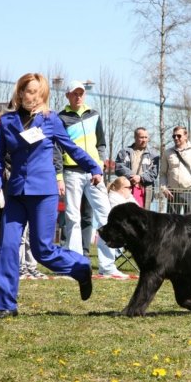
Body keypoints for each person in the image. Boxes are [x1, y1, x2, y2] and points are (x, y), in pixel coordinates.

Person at [0, 73, 103, 318]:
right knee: (7, 247)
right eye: (30, 92)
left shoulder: (50, 120)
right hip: (16, 192)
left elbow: (71, 148)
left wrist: (94, 167)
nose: (35, 97)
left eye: (40, 93)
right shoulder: (6, 122)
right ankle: (5, 304)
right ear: (20, 93)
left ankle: (81, 267)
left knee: (43, 251)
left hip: (44, 192)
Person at [58, 80, 126, 278]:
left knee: (106, 216)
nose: (78, 96)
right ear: (67, 96)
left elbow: (101, 143)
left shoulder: (94, 115)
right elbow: (58, 149)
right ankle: (75, 266)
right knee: (72, 218)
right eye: (74, 93)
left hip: (94, 174)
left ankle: (108, 266)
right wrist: (59, 176)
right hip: (71, 172)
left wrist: (101, 164)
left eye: (81, 93)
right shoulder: (60, 118)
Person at [160, 126, 191, 214]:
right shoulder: (167, 153)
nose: (176, 138)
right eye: (173, 136)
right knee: (172, 223)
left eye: (179, 136)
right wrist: (164, 189)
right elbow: (162, 174)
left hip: (190, 192)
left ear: (186, 136)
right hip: (173, 193)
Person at [115, 127, 159, 208]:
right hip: (127, 187)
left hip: (145, 189)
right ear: (135, 137)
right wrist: (132, 176)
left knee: (144, 216)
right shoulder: (124, 152)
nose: (144, 140)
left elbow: (154, 173)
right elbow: (119, 167)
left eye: (146, 137)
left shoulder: (153, 154)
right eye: (141, 137)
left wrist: (140, 178)